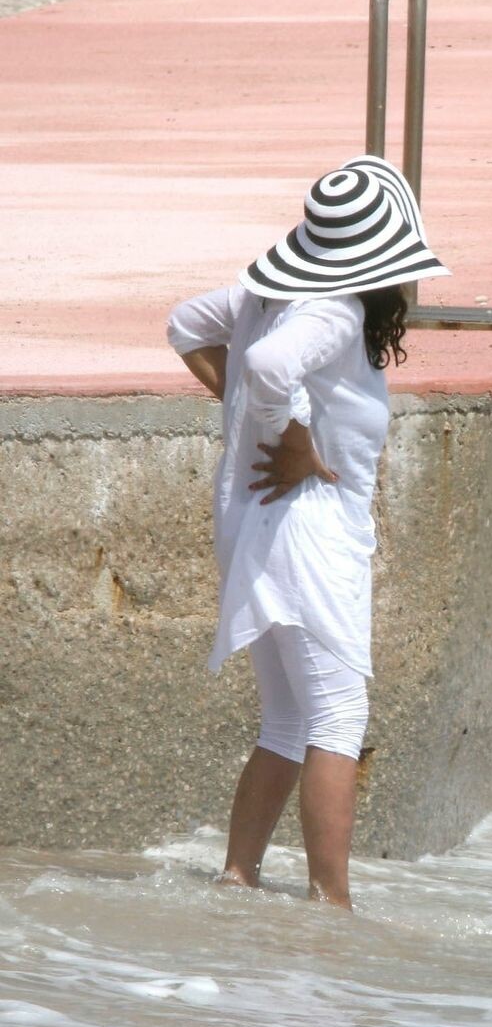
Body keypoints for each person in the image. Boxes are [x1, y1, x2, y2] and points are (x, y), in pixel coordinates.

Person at [166, 154, 448, 911]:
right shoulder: (336, 310)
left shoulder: (267, 294)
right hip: (306, 526)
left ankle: (238, 879)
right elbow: (267, 365)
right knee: (337, 717)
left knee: (289, 719)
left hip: (256, 521)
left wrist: (250, 423)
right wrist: (286, 436)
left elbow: (184, 324)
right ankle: (333, 905)